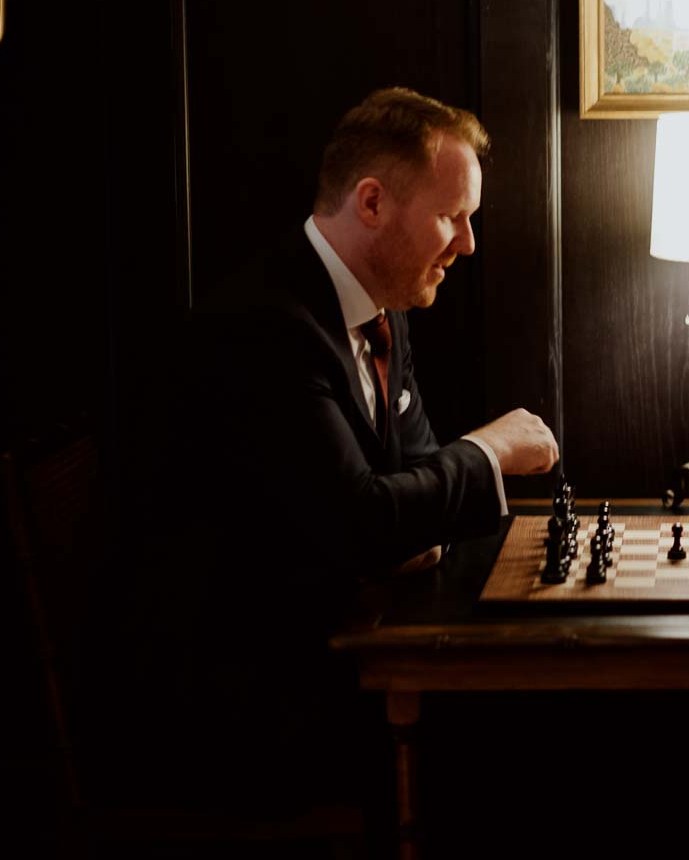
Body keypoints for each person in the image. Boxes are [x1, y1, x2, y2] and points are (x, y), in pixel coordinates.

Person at [164, 86, 558, 808]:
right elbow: (365, 520)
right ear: (372, 203)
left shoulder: (383, 310)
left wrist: (402, 514)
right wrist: (487, 451)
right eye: (452, 216)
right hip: (255, 701)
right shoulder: (266, 327)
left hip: (336, 649)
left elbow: (406, 490)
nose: (468, 244)